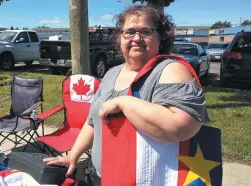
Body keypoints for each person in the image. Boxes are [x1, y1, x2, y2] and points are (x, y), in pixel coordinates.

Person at [44, 5, 209, 185]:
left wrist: (125, 103)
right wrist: (73, 156)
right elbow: (92, 122)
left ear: (160, 37)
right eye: (129, 32)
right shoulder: (111, 73)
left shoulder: (169, 70)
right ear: (120, 38)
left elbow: (182, 127)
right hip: (100, 176)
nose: (136, 38)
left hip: (143, 180)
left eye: (145, 31)